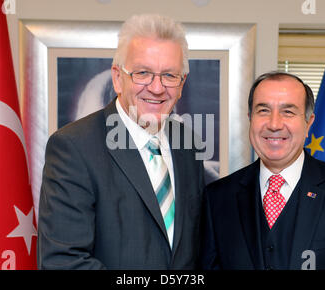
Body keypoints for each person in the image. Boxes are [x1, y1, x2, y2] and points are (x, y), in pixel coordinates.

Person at [37, 14, 205, 270]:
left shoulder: (188, 143)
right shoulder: (73, 147)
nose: (157, 88)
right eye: (143, 73)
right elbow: (63, 261)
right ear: (117, 78)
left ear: (182, 84)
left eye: (170, 75)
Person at [200, 71, 325, 270]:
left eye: (288, 112)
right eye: (263, 111)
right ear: (250, 118)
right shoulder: (218, 198)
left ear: (308, 123)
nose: (274, 124)